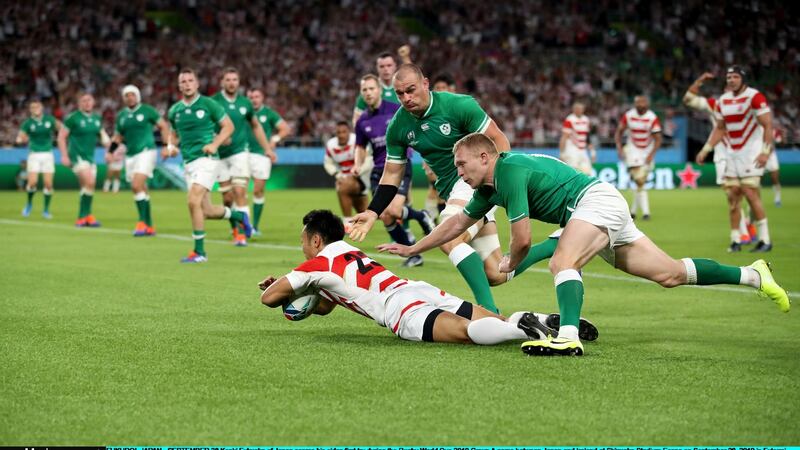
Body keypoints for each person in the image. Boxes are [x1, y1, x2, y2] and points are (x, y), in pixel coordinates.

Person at [378, 133, 790, 356]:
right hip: (593, 208)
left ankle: (568, 335)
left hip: (594, 202)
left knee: (563, 262)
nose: (458, 173)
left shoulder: (508, 170)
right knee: (670, 274)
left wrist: (511, 262)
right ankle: (753, 275)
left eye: (462, 164)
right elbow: (455, 224)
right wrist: (414, 249)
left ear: (485, 157)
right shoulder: (487, 189)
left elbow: (522, 239)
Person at [349, 64, 557, 314]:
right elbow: (392, 173)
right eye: (400, 93)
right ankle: (553, 245)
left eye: (411, 90)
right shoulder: (398, 126)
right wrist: (373, 211)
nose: (406, 98)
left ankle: (488, 312)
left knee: (450, 235)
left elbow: (498, 139)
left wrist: (499, 181)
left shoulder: (459, 105)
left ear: (425, 84)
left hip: (477, 181)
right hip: (455, 191)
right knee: (495, 273)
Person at [259, 209, 598, 345]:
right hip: (417, 289)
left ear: (316, 240)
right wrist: (298, 295)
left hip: (400, 309)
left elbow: (268, 299)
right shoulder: (348, 252)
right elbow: (325, 306)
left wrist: (281, 289)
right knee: (489, 319)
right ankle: (545, 320)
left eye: (303, 241)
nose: (302, 247)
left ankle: (522, 327)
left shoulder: (316, 265)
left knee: (466, 333)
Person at [165, 68, 252, 263]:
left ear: (197, 84)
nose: (187, 84)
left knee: (192, 200)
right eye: (183, 81)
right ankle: (239, 216)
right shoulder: (175, 110)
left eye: (190, 80)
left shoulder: (208, 104)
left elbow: (228, 126)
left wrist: (214, 144)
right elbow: (173, 133)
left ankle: (199, 252)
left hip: (207, 160)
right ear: (179, 86)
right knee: (206, 211)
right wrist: (170, 146)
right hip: (188, 162)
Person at [353, 74, 434, 268]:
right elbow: (360, 147)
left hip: (399, 166)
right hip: (378, 171)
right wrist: (357, 164)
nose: (368, 93)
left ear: (380, 90)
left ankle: (421, 217)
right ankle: (413, 253)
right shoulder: (362, 121)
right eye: (364, 90)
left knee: (395, 210)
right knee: (385, 215)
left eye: (371, 88)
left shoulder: (397, 110)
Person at [697, 66, 774, 253]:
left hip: (751, 153)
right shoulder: (723, 101)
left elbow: (767, 124)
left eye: (735, 77)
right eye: (729, 77)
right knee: (732, 196)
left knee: (750, 193)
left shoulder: (754, 97)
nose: (731, 80)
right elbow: (720, 128)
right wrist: (706, 149)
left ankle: (765, 240)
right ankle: (735, 240)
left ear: (743, 79)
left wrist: (765, 151)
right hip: (732, 154)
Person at [685, 73, 755, 246]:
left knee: (750, 193)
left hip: (746, 155)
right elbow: (688, 99)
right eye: (728, 87)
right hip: (724, 156)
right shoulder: (716, 104)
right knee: (732, 194)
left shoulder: (749, 104)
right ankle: (743, 233)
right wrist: (700, 80)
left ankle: (749, 225)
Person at [211, 67, 273, 247]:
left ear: (238, 82)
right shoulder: (214, 101)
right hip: (219, 155)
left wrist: (267, 148)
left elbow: (256, 126)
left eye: (234, 80)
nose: (232, 83)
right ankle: (236, 228)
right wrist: (218, 138)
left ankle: (242, 233)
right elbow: (206, 125)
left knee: (239, 192)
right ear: (222, 82)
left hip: (240, 152)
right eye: (228, 80)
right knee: (227, 198)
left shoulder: (245, 103)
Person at [110, 84, 171, 236]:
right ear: (124, 98)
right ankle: (149, 226)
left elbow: (163, 126)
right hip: (130, 155)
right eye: (127, 95)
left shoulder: (147, 110)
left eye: (132, 94)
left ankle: (142, 222)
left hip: (146, 151)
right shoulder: (121, 116)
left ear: (138, 96)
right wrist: (110, 151)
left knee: (136, 185)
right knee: (141, 189)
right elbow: (118, 136)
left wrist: (166, 146)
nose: (130, 97)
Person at [57, 93, 110, 227]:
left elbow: (103, 136)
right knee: (90, 181)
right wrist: (64, 155)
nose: (87, 103)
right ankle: (82, 217)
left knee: (88, 186)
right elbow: (61, 137)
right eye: (84, 101)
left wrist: (108, 148)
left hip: (90, 157)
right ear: (79, 103)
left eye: (89, 100)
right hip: (77, 156)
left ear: (93, 102)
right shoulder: (73, 118)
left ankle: (87, 216)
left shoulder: (97, 118)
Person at [246, 87, 287, 236]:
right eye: (251, 97)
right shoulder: (244, 112)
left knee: (258, 190)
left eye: (257, 96)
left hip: (262, 155)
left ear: (262, 98)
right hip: (243, 154)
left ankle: (255, 226)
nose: (254, 100)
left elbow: (284, 128)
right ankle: (242, 226)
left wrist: (275, 139)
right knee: (239, 192)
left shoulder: (268, 113)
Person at [614, 95, 662, 220]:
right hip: (632, 150)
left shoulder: (652, 117)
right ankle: (646, 213)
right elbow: (619, 132)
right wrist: (619, 147)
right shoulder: (629, 115)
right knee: (640, 180)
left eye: (643, 102)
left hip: (647, 150)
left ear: (647, 104)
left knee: (640, 183)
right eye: (638, 103)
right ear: (635, 104)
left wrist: (651, 154)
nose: (640, 105)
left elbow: (658, 138)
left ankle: (633, 211)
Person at [15, 99, 60, 219]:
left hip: (48, 154)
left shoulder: (49, 120)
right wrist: (20, 139)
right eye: (33, 107)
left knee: (48, 184)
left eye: (37, 107)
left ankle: (46, 210)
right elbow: (21, 136)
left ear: (42, 108)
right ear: (30, 110)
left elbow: (61, 128)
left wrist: (61, 136)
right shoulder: (27, 123)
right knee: (32, 182)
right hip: (34, 154)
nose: (35, 109)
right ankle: (29, 204)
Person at [324, 121, 372, 220]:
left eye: (344, 132)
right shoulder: (331, 144)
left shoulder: (357, 141)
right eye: (338, 132)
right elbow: (327, 163)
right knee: (364, 217)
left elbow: (369, 160)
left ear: (349, 132)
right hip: (344, 178)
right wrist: (337, 174)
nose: (341, 135)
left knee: (343, 188)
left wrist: (358, 172)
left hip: (362, 177)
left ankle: (347, 221)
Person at [351, 47, 409, 126]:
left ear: (395, 66)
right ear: (377, 68)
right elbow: (356, 120)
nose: (386, 69)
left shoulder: (402, 87)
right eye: (382, 66)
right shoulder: (369, 90)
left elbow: (414, 76)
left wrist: (405, 58)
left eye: (389, 65)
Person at [559, 102, 596, 175]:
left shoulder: (586, 119)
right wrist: (562, 153)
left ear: (583, 109)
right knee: (573, 172)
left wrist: (592, 152)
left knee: (588, 173)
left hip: (583, 149)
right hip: (572, 148)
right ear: (573, 109)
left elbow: (587, 136)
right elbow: (564, 137)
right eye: (577, 109)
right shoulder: (569, 119)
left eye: (580, 109)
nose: (579, 110)